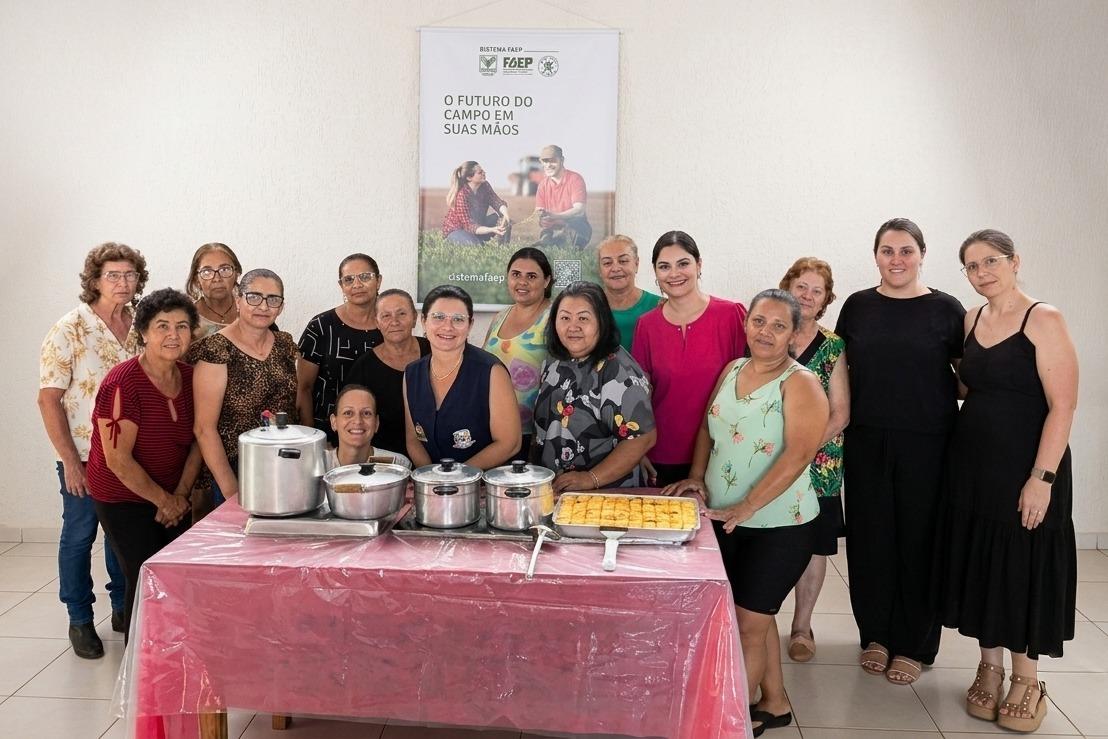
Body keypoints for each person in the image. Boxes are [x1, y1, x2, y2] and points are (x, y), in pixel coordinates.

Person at [663, 289, 828, 738]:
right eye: (759, 321)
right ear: (746, 324)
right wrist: (697, 476)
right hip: (726, 519)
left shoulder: (801, 383)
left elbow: (799, 455)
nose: (766, 332)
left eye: (779, 325)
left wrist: (747, 506)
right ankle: (773, 703)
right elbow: (708, 427)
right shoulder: (733, 369)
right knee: (756, 615)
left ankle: (726, 724)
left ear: (795, 334)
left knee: (746, 624)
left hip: (780, 525)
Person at [934, 230, 1078, 732]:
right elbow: (971, 384)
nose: (982, 273)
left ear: (1016, 261)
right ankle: (989, 666)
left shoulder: (1044, 318)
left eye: (991, 261)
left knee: (1021, 566)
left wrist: (1042, 478)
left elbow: (1063, 405)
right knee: (983, 563)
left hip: (1027, 464)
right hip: (973, 464)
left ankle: (1027, 678)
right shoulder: (972, 319)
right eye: (972, 267)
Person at [835, 218, 965, 685]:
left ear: (923, 254)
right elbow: (840, 371)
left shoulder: (947, 310)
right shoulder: (858, 307)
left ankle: (914, 642)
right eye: (888, 251)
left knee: (919, 539)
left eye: (906, 251)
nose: (897, 260)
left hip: (928, 441)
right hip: (868, 438)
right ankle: (876, 634)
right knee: (872, 539)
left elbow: (968, 378)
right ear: (876, 257)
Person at [37, 242, 137, 658]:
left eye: (130, 275)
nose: (123, 282)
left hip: (130, 456)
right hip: (84, 455)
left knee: (122, 536)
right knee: (80, 536)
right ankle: (79, 619)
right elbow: (49, 399)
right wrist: (69, 463)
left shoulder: (141, 324)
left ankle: (120, 608)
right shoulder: (70, 328)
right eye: (113, 275)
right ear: (94, 280)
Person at [86, 288, 199, 639]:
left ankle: (173, 649)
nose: (172, 335)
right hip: (122, 497)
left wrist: (179, 496)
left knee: (175, 573)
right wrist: (164, 501)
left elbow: (198, 440)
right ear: (144, 332)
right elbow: (117, 460)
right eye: (162, 326)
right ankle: (139, 664)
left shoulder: (193, 378)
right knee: (145, 572)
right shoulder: (122, 383)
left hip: (172, 493)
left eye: (182, 326)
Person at [632, 230, 747, 486]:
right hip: (660, 455)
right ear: (655, 273)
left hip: (723, 451)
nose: (674, 274)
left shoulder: (731, 316)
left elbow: (752, 383)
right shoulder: (647, 325)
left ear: (699, 264)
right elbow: (638, 396)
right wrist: (637, 449)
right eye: (664, 266)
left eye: (683, 263)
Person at [778, 258, 850, 663]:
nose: (806, 296)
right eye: (801, 286)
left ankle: (802, 626)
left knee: (814, 546)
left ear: (825, 300)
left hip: (818, 465)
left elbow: (841, 413)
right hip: (765, 461)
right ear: (787, 287)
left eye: (816, 291)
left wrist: (801, 451)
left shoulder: (833, 345)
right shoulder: (767, 334)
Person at [532, 282, 656, 491]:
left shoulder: (617, 369)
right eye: (564, 318)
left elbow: (643, 438)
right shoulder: (554, 361)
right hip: (557, 491)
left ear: (602, 321)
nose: (573, 327)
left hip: (606, 494)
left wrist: (591, 478)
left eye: (583, 318)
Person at [190, 269, 298, 505]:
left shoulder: (284, 344)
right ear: (238, 299)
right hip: (236, 470)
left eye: (273, 299)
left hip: (284, 466)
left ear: (281, 307)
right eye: (254, 296)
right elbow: (204, 429)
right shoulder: (216, 349)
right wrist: (231, 490)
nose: (263, 306)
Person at [403, 285, 521, 469]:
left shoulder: (491, 371)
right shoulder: (412, 374)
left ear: (470, 324)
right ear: (423, 321)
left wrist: (456, 477)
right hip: (432, 487)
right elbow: (413, 439)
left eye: (458, 319)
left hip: (482, 488)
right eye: (438, 317)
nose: (447, 327)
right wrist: (431, 477)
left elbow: (509, 443)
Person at [297, 254, 384, 445]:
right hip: (329, 435)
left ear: (378, 281)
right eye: (349, 279)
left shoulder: (390, 327)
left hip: (384, 434)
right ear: (341, 286)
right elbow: (304, 388)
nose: (357, 284)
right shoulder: (321, 326)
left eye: (365, 277)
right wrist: (312, 438)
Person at [481, 247, 552, 454]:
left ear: (546, 281)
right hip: (493, 429)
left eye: (531, 276)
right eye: (516, 275)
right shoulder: (500, 317)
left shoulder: (554, 316)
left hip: (535, 434)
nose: (522, 282)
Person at [344, 289, 431, 455]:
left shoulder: (434, 353)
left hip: (437, 457)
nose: (394, 322)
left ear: (414, 318)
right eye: (386, 316)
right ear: (377, 322)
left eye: (402, 314)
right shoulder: (364, 368)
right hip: (385, 459)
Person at [597, 234, 662, 352]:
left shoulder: (659, 306)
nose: (615, 268)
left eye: (623, 261)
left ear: (636, 264)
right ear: (600, 270)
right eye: (607, 263)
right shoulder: (590, 307)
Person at [325, 384, 411, 470]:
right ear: (334, 422)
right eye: (348, 413)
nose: (358, 421)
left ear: (376, 423)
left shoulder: (398, 465)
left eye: (366, 413)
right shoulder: (318, 465)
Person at [533, 144, 591, 247]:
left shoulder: (575, 179)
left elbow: (579, 210)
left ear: (562, 160)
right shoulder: (542, 185)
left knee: (567, 245)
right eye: (545, 161)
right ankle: (549, 241)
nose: (548, 165)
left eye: (553, 161)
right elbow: (538, 211)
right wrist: (540, 217)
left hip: (576, 228)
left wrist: (555, 216)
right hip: (551, 229)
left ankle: (557, 242)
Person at [442, 161, 511, 245]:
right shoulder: (462, 195)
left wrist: (506, 214)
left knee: (504, 220)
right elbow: (469, 226)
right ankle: (472, 241)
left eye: (483, 171)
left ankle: (503, 247)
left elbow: (496, 201)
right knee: (478, 245)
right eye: (480, 172)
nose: (484, 173)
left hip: (477, 226)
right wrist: (492, 229)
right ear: (469, 178)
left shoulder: (485, 185)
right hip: (457, 230)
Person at [185, 242, 243, 339]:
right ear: (196, 280)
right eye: (207, 272)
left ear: (236, 274)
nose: (217, 278)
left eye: (224, 269)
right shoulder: (186, 318)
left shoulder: (251, 311)